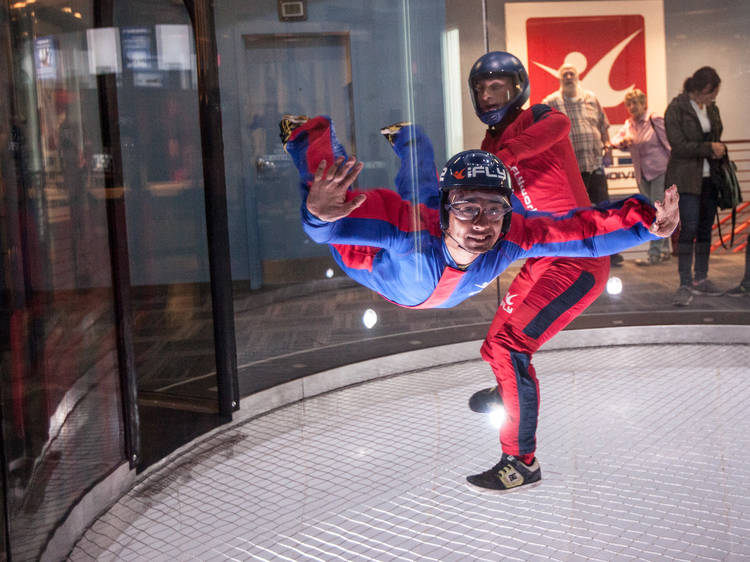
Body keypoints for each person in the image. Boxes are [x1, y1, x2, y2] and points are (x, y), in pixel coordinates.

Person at [282, 114, 679, 492]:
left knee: (420, 190)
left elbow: (580, 232)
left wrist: (648, 221)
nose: (480, 224)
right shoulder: (409, 229)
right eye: (467, 208)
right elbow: (335, 224)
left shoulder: (508, 234)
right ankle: (308, 133)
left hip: (434, 257)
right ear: (447, 210)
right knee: (343, 202)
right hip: (384, 271)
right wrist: (318, 216)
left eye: (493, 209)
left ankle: (411, 136)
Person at [464, 52, 608, 449]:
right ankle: (508, 393)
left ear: (516, 89)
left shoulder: (540, 117)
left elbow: (558, 126)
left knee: (513, 347)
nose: (489, 97)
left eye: (497, 88)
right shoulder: (489, 142)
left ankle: (520, 461)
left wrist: (503, 158)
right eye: (482, 89)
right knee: (495, 343)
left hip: (579, 260)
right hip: (543, 256)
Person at [541, 63, 623, 266]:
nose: (568, 77)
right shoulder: (550, 102)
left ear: (578, 77)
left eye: (572, 73)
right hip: (569, 170)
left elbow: (603, 126)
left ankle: (609, 252)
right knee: (574, 212)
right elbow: (542, 132)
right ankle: (579, 253)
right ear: (560, 79)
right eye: (564, 74)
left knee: (603, 210)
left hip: (594, 164)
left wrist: (608, 148)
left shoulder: (591, 98)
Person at [664, 66, 725, 306]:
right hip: (686, 179)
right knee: (688, 229)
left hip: (710, 178)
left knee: (705, 228)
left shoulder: (711, 108)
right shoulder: (676, 109)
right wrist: (709, 148)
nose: (714, 99)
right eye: (712, 93)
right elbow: (677, 145)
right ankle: (684, 282)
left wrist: (717, 149)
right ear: (701, 89)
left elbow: (716, 134)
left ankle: (702, 278)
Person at [611, 88, 672, 265]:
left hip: (660, 171)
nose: (632, 107)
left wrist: (675, 169)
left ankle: (654, 254)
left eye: (635, 103)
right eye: (628, 104)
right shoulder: (629, 124)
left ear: (643, 104)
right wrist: (622, 142)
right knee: (657, 211)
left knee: (656, 213)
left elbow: (668, 144)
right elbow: (615, 140)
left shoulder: (654, 119)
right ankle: (664, 250)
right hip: (642, 174)